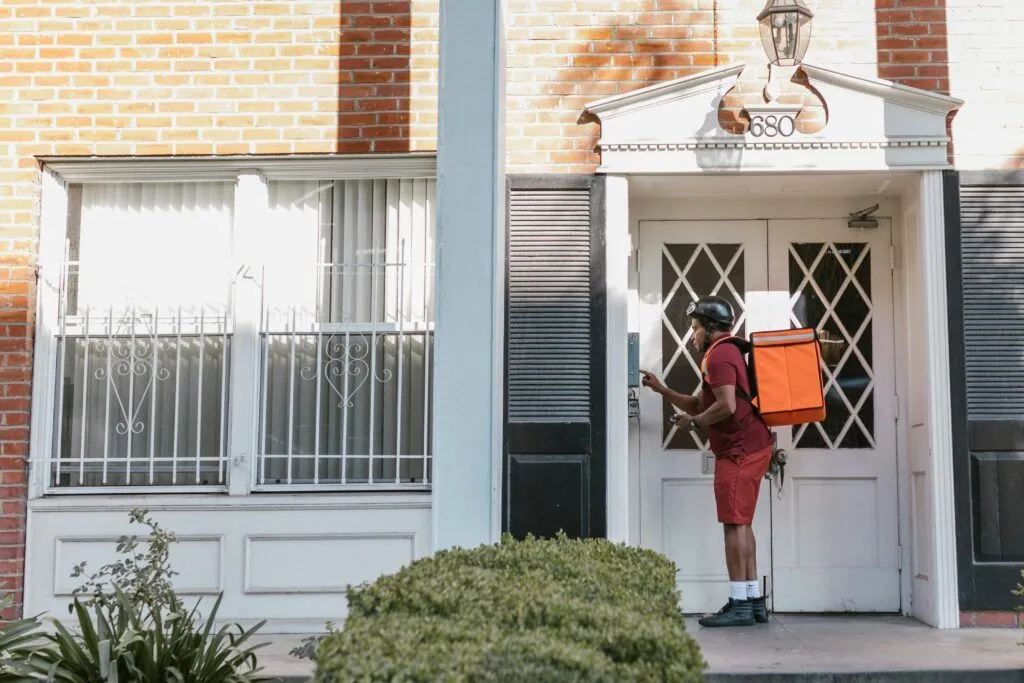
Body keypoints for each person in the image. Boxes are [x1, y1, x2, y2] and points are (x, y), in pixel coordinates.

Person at [640, 296, 773, 628]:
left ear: (712, 329)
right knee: (741, 524)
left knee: (734, 525)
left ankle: (740, 603)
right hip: (749, 447)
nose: (693, 335)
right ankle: (754, 601)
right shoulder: (725, 353)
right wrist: (662, 390)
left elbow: (726, 406)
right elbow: (701, 401)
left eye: (696, 328)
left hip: (740, 451)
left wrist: (694, 423)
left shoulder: (719, 357)